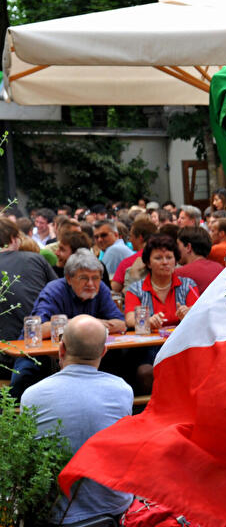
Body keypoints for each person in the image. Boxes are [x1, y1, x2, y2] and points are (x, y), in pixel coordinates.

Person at [20, 314, 134, 525]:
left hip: (53, 515)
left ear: (61, 349)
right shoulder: (122, 390)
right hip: (113, 509)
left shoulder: (31, 395)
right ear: (103, 351)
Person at [10, 250, 127, 398]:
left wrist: (67, 325)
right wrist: (83, 324)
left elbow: (120, 324)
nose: (91, 284)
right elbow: (35, 330)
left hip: (86, 355)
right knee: (25, 374)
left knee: (123, 365)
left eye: (95, 278)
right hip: (44, 355)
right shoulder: (54, 290)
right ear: (69, 278)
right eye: (84, 278)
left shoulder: (101, 289)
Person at [124, 234, 199, 392]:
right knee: (145, 372)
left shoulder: (188, 285)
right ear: (148, 263)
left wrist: (189, 312)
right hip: (147, 350)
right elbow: (130, 319)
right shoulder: (136, 289)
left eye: (169, 257)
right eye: (158, 258)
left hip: (181, 346)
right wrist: (147, 321)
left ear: (175, 260)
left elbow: (199, 312)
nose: (165, 262)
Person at [0, 218, 56, 380]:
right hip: (36, 356)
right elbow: (59, 295)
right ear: (13, 238)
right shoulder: (36, 260)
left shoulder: (35, 260)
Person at [111, 217, 157, 294]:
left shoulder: (127, 262)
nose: (130, 240)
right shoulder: (167, 258)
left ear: (140, 238)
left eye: (131, 236)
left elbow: (114, 290)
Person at [174, 226, 224, 293]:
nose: (176, 249)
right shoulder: (220, 268)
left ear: (188, 247)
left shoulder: (179, 274)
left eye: (178, 245)